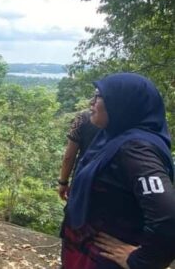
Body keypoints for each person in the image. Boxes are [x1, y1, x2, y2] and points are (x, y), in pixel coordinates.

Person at [61, 73, 175, 269]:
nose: (91, 102)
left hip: (103, 259)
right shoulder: (114, 137)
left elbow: (167, 216)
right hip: (86, 252)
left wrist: (141, 261)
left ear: (121, 104)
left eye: (98, 96)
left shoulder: (136, 150)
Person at [58, 110, 99, 200]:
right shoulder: (128, 120)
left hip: (82, 178)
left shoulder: (83, 117)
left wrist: (63, 182)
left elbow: (69, 156)